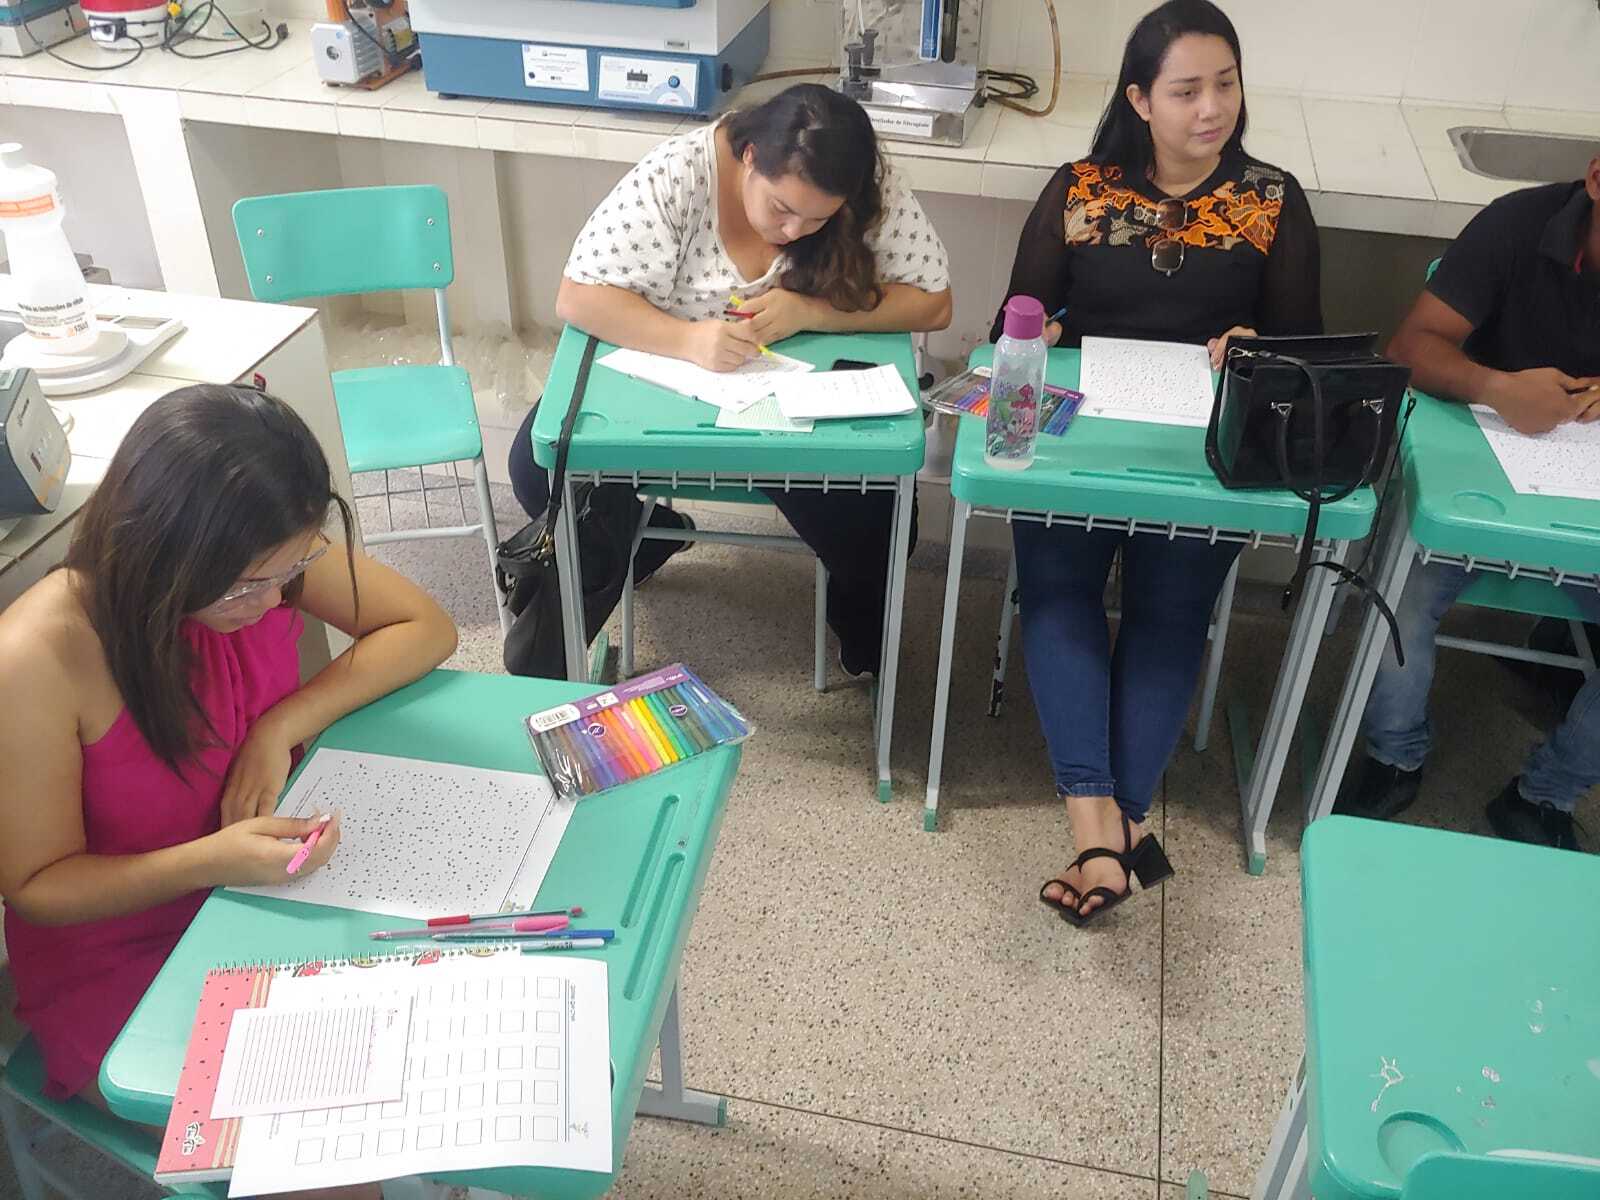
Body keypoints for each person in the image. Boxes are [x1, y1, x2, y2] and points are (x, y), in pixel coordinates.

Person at [0, 386, 457, 1198]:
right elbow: (37, 889)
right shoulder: (37, 656)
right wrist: (206, 861)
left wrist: (278, 725)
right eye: (252, 586)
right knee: (329, 1168)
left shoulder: (262, 557)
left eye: (296, 572)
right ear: (166, 557)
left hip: (266, 896)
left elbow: (424, 626)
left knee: (455, 1016)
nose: (279, 602)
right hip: (125, 959)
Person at [992, 0, 1322, 925]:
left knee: (1168, 614)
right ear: (1141, 99)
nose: (1211, 107)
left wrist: (1259, 346)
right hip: (1086, 444)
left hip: (1201, 452)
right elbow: (1011, 326)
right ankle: (1112, 831)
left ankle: (1107, 830)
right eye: (1186, 90)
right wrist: (1042, 331)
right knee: (1056, 595)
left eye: (1225, 84)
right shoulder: (1082, 189)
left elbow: (1304, 354)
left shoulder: (1270, 200)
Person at [508, 83, 952, 676]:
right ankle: (643, 534)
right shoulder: (679, 173)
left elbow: (934, 303)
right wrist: (689, 340)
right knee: (536, 467)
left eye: (818, 219)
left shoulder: (866, 179)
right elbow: (579, 296)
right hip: (669, 380)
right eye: (781, 209)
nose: (795, 231)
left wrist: (811, 312)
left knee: (885, 520)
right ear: (748, 158)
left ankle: (860, 630)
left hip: (789, 403)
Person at [1333, 153, 1600, 850]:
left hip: (1586, 503)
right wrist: (1497, 386)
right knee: (1404, 595)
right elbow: (1410, 346)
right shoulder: (1520, 224)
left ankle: (1544, 795)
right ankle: (1396, 752)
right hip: (1479, 475)